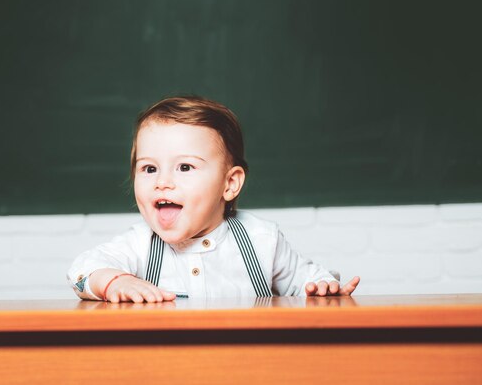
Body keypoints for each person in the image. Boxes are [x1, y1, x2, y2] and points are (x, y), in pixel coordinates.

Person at [67, 96, 360, 303]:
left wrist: (323, 288)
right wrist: (115, 281)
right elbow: (82, 270)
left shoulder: (262, 240)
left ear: (230, 184)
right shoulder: (138, 245)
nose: (162, 182)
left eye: (185, 167)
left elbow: (307, 280)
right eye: (149, 168)